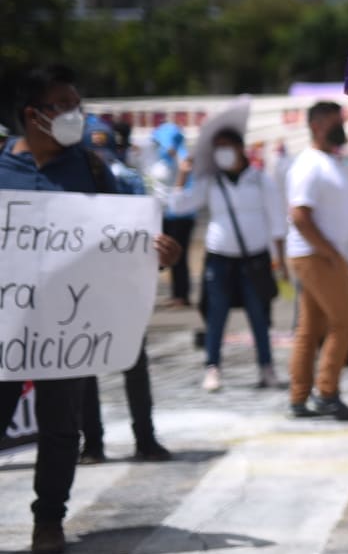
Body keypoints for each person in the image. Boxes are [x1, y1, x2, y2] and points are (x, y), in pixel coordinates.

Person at [0, 65, 180, 554]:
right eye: (63, 104)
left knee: (62, 428)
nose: (75, 114)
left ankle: (48, 521)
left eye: (77, 103)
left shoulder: (93, 168)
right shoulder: (1, 168)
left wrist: (159, 250)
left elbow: (127, 234)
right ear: (32, 115)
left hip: (65, 328)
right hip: (6, 327)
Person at [76, 117, 174, 466]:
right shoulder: (67, 183)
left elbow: (146, 226)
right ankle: (92, 443)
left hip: (121, 286)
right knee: (83, 366)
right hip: (80, 289)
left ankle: (145, 439)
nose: (100, 158)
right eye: (93, 150)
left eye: (105, 149)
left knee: (134, 362)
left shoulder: (129, 181)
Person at [171, 128, 287, 392]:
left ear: (239, 147)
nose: (221, 152)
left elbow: (277, 221)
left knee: (259, 316)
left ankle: (266, 367)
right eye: (217, 147)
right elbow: (179, 206)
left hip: (254, 260)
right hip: (219, 259)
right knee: (216, 316)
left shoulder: (259, 180)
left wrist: (280, 262)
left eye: (226, 145)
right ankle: (213, 367)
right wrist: (183, 174)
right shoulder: (211, 181)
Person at [285, 101, 348, 421]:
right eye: (334, 122)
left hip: (315, 254)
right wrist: (329, 251)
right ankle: (326, 393)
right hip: (316, 255)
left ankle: (299, 397)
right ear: (316, 125)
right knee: (345, 321)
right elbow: (300, 214)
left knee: (310, 328)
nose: (341, 127)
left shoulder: (326, 161)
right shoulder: (309, 164)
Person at [147, 121, 199, 308]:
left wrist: (178, 160)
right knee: (160, 255)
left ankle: (181, 295)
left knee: (179, 255)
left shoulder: (183, 157)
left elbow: (185, 186)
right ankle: (173, 293)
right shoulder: (159, 156)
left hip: (182, 215)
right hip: (163, 214)